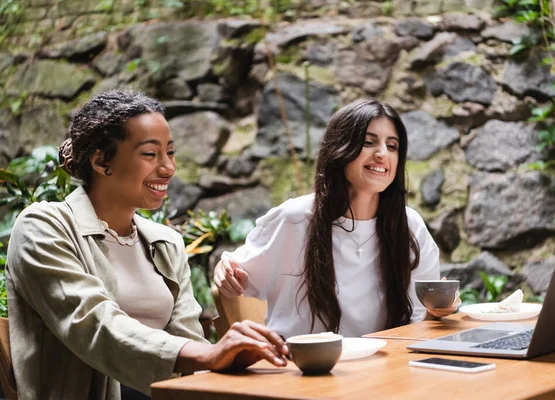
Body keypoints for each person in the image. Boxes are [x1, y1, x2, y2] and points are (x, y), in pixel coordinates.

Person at [6, 90, 287, 400]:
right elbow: (92, 324)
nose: (168, 168)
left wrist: (230, 357)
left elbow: (188, 343)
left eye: (171, 152)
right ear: (101, 161)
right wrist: (208, 354)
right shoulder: (43, 227)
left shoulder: (165, 242)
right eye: (150, 154)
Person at [214, 99, 459, 339]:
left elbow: (417, 325)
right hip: (302, 369)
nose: (382, 154)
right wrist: (224, 272)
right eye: (368, 142)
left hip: (384, 369)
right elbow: (233, 280)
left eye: (392, 146)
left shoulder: (409, 226)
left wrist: (437, 311)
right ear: (340, 150)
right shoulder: (296, 219)